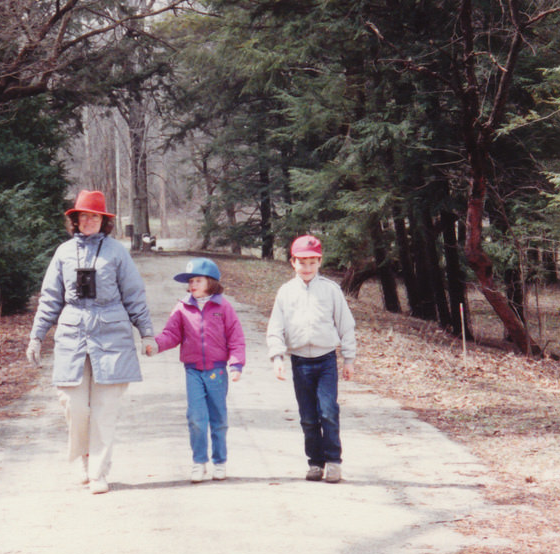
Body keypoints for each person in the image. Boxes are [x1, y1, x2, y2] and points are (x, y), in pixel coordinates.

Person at [26, 190, 155, 494]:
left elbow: (135, 295)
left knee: (104, 410)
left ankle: (98, 472)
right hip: (72, 335)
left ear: (104, 221)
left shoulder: (117, 252)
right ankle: (84, 459)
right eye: (83, 216)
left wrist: (146, 333)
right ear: (75, 220)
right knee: (74, 405)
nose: (88, 221)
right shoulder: (63, 253)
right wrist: (36, 336)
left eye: (94, 216)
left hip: (112, 335)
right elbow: (50, 299)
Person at [145, 258, 245, 483]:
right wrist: (157, 345)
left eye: (197, 280)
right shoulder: (182, 307)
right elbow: (172, 334)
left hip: (217, 371)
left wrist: (236, 363)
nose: (193, 285)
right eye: (190, 281)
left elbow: (236, 338)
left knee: (219, 418)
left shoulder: (223, 307)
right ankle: (199, 462)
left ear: (211, 282)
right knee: (196, 418)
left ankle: (220, 461)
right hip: (193, 371)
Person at [266, 234, 356, 483]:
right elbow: (276, 327)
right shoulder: (285, 292)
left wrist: (348, 359)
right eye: (301, 262)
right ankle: (315, 462)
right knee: (308, 416)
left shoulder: (330, 290)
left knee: (328, 411)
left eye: (312, 262)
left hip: (325, 360)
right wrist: (277, 357)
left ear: (319, 262)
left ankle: (334, 461)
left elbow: (346, 325)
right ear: (292, 262)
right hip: (300, 362)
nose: (306, 268)